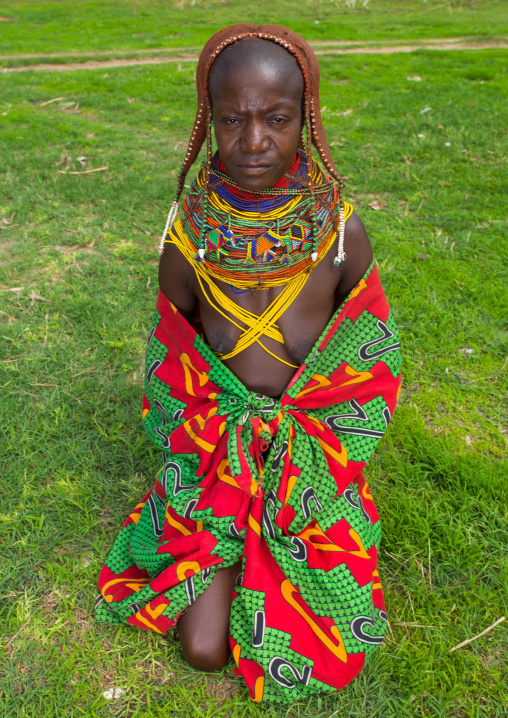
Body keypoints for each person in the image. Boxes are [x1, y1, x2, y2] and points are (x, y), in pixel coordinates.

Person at [96, 24, 401, 703]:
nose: (254, 142)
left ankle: (270, 546)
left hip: (306, 457)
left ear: (307, 120)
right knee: (204, 650)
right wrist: (210, 441)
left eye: (277, 119)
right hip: (221, 453)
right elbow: (172, 360)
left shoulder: (340, 230)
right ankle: (229, 546)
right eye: (232, 120)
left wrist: (324, 445)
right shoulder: (189, 234)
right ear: (207, 121)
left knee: (315, 617)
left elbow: (369, 354)